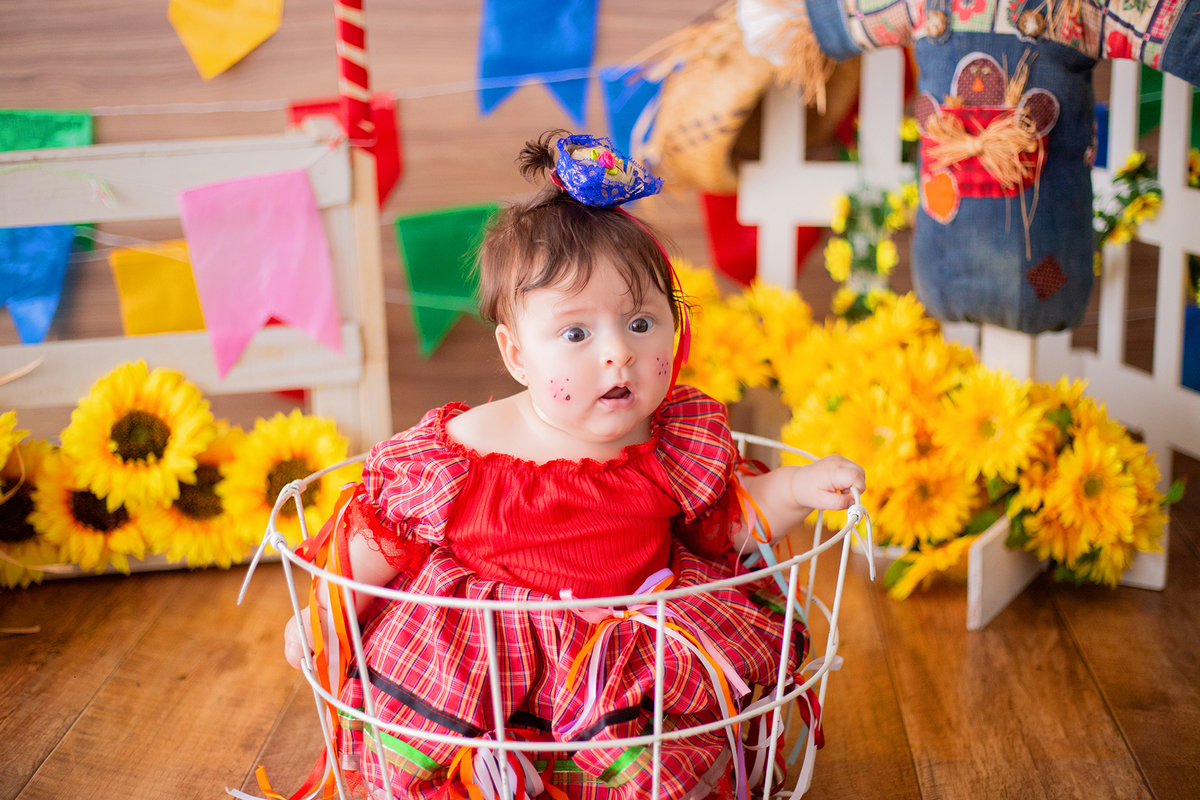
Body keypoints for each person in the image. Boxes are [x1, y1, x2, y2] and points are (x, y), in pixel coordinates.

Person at [283, 131, 866, 800]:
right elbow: (377, 543)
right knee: (463, 766)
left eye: (641, 323)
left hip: (626, 661)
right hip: (488, 667)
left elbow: (732, 524)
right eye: (576, 333)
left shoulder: (668, 442)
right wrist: (326, 617)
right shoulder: (464, 452)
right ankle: (501, 777)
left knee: (655, 771)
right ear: (516, 355)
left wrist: (798, 485)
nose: (616, 353)